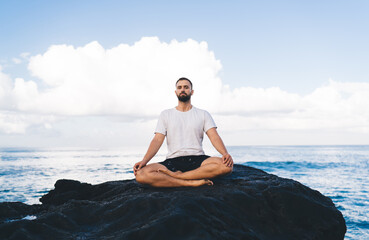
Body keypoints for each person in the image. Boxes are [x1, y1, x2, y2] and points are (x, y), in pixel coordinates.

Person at [133, 77, 233, 187]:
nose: (183, 90)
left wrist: (225, 154)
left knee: (226, 166)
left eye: (186, 87)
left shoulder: (203, 114)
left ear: (192, 91)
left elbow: (214, 136)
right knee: (141, 175)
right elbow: (157, 140)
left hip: (198, 159)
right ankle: (189, 183)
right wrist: (144, 161)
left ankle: (177, 177)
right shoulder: (166, 114)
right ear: (176, 92)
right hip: (172, 161)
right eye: (179, 87)